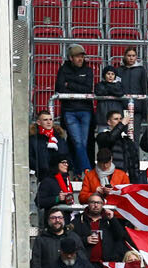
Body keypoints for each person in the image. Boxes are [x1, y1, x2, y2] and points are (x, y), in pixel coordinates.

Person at [55, 44, 96, 173]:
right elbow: (60, 88)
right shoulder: (63, 69)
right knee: (78, 142)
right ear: (71, 58)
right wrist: (78, 84)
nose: (80, 59)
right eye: (77, 57)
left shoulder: (88, 70)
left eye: (82, 57)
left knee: (82, 143)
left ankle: (78, 172)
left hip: (85, 110)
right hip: (69, 111)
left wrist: (70, 84)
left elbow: (88, 89)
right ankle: (87, 170)